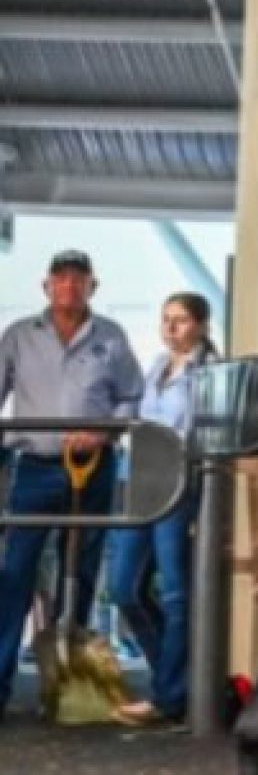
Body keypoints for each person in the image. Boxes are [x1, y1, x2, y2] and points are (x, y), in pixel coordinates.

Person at [0, 249, 144, 720]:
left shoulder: (111, 338)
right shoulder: (19, 336)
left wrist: (102, 431)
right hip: (36, 469)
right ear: (47, 287)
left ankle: (69, 679)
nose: (69, 288)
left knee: (80, 572)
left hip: (94, 467)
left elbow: (130, 398)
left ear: (92, 288)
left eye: (78, 281)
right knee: (15, 574)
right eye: (60, 280)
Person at [107, 292, 219, 726]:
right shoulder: (155, 367)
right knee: (123, 589)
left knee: (175, 593)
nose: (171, 328)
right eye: (166, 319)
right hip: (140, 480)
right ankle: (174, 681)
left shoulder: (209, 372)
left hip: (178, 485)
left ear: (202, 325)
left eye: (182, 320)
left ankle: (171, 696)